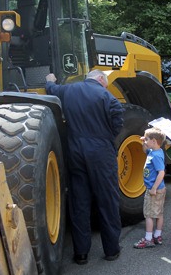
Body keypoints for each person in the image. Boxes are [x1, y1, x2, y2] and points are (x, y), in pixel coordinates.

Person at [45, 69, 123, 264]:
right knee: (108, 199)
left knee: (79, 201)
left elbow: (52, 89)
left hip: (75, 150)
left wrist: (49, 80)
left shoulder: (69, 90)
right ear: (100, 80)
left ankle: (81, 253)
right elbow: (117, 122)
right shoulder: (108, 97)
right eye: (105, 83)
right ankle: (112, 249)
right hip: (101, 151)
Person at [133, 128, 167, 249]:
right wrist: (144, 142)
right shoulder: (155, 151)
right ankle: (157, 236)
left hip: (154, 190)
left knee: (149, 215)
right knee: (159, 213)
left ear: (154, 141)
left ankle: (148, 239)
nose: (145, 141)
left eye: (146, 139)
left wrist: (153, 188)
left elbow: (161, 173)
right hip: (159, 189)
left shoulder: (156, 156)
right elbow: (145, 150)